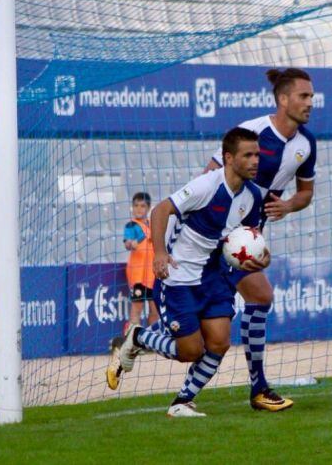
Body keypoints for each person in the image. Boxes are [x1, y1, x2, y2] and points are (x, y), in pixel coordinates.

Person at [107, 127, 268, 418]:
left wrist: (260, 256)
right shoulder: (206, 186)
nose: (256, 160)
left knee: (219, 342)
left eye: (257, 154)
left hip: (214, 277)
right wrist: (159, 253)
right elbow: (160, 211)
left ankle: (182, 402)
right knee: (191, 351)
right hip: (179, 278)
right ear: (229, 158)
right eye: (248, 155)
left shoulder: (253, 196)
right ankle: (139, 336)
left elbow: (249, 238)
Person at [203, 68, 316, 412]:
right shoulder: (252, 131)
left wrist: (287, 205)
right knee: (191, 340)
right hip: (212, 236)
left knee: (261, 296)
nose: (310, 103)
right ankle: (137, 341)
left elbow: (306, 193)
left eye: (311, 97)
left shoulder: (306, 144)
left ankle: (259, 388)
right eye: (304, 96)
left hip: (241, 243)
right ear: (283, 99)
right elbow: (208, 176)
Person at [122, 192, 158, 334]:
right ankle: (132, 341)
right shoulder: (132, 226)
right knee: (137, 307)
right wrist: (131, 243)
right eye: (136, 205)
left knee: (154, 307)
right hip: (137, 275)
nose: (138, 209)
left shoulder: (152, 225)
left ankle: (153, 339)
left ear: (148, 208)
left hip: (152, 275)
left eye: (142, 206)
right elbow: (127, 243)